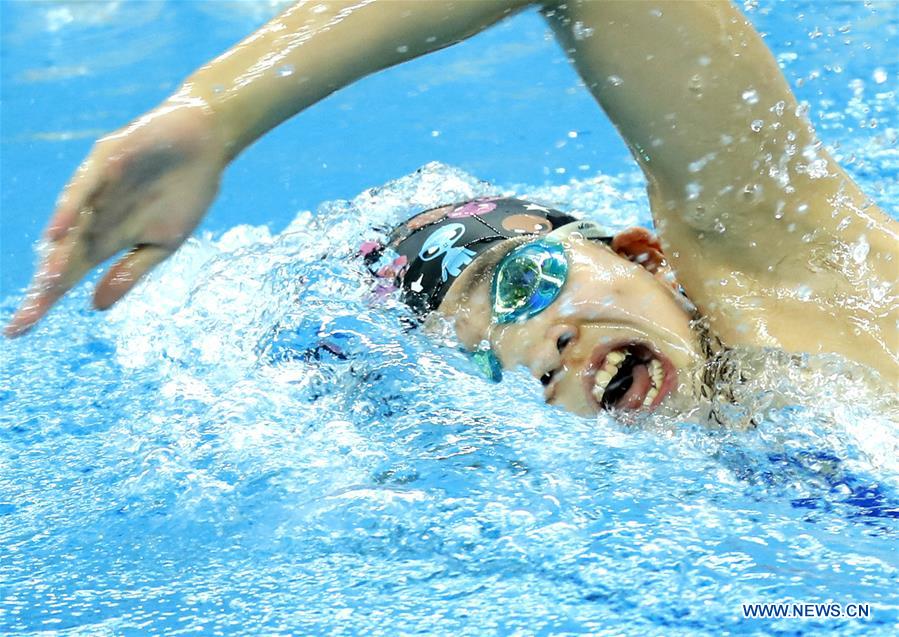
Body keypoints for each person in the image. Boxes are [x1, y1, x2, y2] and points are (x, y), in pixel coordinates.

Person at [5, 1, 896, 417]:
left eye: (522, 280)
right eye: (482, 365)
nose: (531, 349)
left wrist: (217, 110)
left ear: (641, 253)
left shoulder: (797, 278)